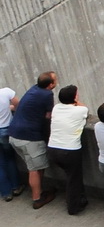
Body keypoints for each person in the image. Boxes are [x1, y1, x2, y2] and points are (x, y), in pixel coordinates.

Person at [9, 71, 57, 209]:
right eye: (55, 80)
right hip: (29, 138)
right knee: (34, 169)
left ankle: (39, 191)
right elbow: (48, 116)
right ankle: (37, 198)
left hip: (14, 135)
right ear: (50, 85)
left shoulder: (34, 89)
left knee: (36, 167)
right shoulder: (47, 94)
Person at [46, 85, 89, 215]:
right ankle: (73, 207)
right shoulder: (81, 110)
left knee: (71, 177)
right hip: (70, 150)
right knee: (73, 179)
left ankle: (80, 198)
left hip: (53, 149)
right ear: (74, 98)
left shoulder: (56, 108)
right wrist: (77, 101)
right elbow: (84, 108)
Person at [0, 81, 22, 202]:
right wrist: (10, 109)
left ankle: (6, 193)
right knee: (10, 159)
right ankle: (16, 187)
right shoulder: (6, 92)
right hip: (5, 129)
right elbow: (18, 104)